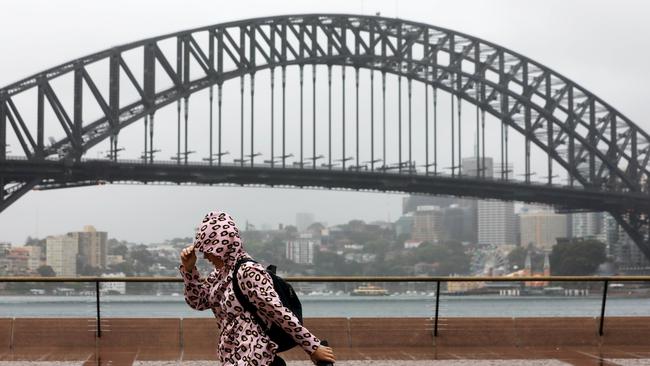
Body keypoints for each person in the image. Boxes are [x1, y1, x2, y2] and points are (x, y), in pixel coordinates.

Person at [179, 210, 336, 366]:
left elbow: (278, 313)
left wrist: (312, 347)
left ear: (222, 246)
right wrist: (189, 270)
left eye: (208, 250)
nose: (205, 256)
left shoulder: (248, 271)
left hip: (256, 357)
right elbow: (199, 302)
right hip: (232, 356)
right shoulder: (220, 274)